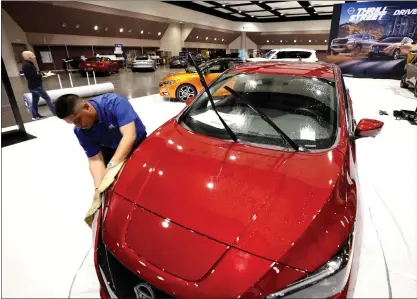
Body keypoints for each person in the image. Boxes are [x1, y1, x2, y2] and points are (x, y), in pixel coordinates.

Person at [54, 93, 147, 199]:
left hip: (138, 143)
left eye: (77, 120)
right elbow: (95, 159)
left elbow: (129, 136)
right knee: (111, 185)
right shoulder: (80, 131)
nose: (78, 125)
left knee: (142, 178)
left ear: (87, 107)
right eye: (72, 123)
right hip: (111, 148)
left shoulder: (115, 103)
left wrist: (111, 167)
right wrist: (99, 189)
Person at [21, 51, 56, 120]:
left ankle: (35, 115)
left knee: (35, 101)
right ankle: (55, 112)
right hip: (36, 86)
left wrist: (41, 74)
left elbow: (33, 74)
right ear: (28, 56)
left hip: (34, 86)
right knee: (47, 98)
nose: (34, 56)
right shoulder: (27, 65)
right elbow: (31, 77)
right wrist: (42, 75)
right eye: (32, 55)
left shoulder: (29, 64)